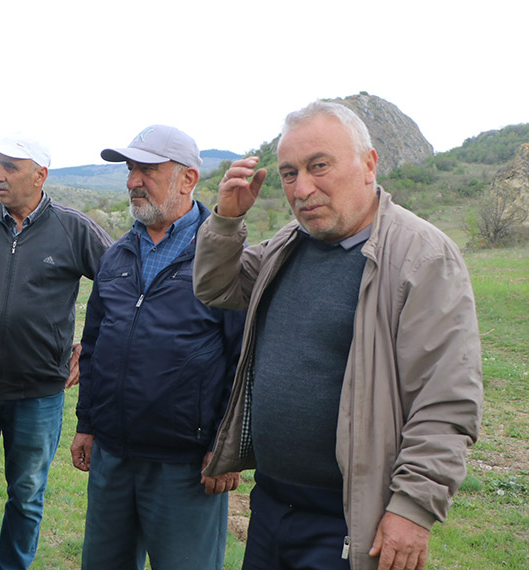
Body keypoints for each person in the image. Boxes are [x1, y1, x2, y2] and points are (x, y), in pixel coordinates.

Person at [194, 101, 483, 570]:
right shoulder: (289, 244)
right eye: (289, 173)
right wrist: (226, 221)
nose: (302, 188)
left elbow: (446, 401)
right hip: (270, 502)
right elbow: (216, 285)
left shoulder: (422, 257)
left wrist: (412, 509)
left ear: (368, 164)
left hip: (349, 517)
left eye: (319, 166)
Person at [0, 135, 113, 569]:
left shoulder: (74, 228)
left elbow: (119, 285)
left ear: (40, 175)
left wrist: (92, 346)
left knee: (27, 495)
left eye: (10, 166)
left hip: (39, 392)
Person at [71, 125, 245, 569]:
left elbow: (244, 361)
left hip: (185, 467)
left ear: (188, 180)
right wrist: (87, 423)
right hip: (112, 457)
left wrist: (228, 449)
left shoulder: (222, 257)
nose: (132, 181)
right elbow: (93, 346)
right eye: (131, 170)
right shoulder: (118, 255)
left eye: (147, 169)